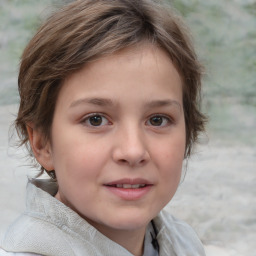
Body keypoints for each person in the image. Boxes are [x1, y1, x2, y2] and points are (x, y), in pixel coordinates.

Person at [0, 0, 207, 255]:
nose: (133, 151)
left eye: (157, 120)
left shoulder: (185, 243)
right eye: (95, 120)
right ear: (42, 143)